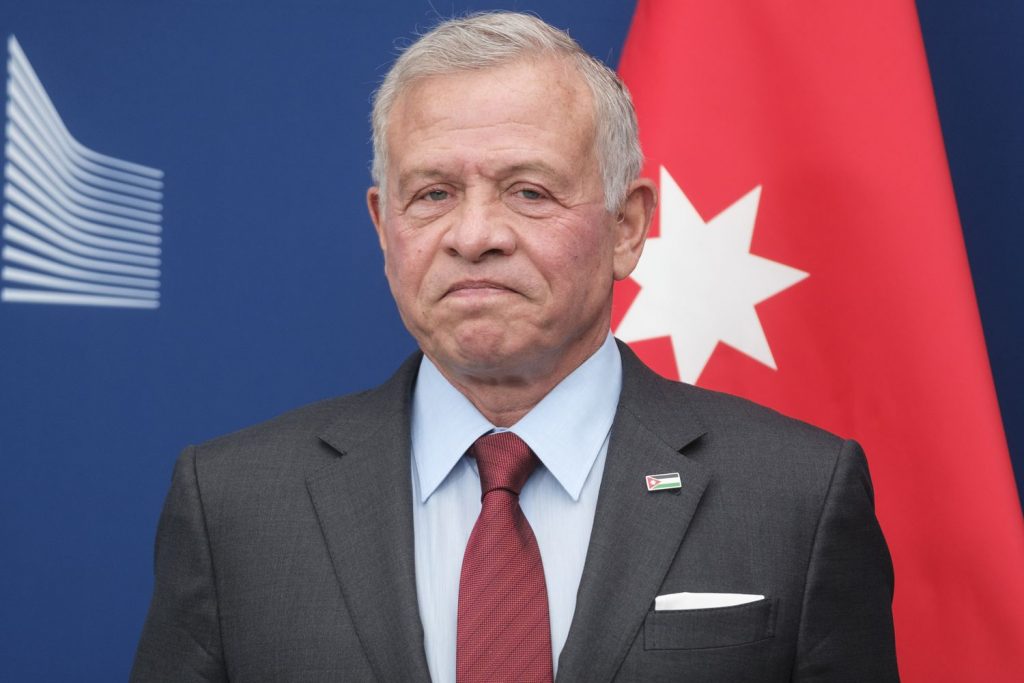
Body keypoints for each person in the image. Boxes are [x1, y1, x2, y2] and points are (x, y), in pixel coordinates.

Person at [131, 12, 898, 683]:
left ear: (627, 227)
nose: (474, 235)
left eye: (529, 191)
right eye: (433, 194)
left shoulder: (796, 496)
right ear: (384, 229)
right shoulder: (231, 504)